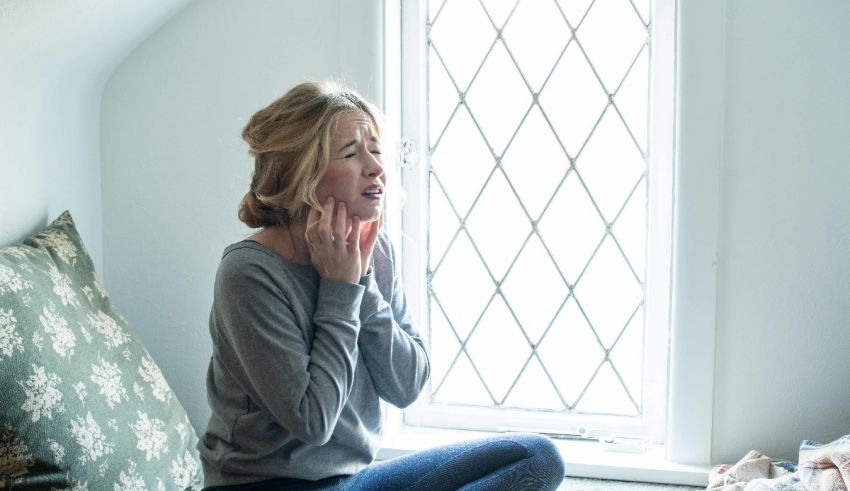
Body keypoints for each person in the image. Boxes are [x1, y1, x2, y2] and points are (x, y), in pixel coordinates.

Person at [198, 80, 566, 490]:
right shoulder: (249, 273)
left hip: (351, 481)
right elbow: (313, 422)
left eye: (376, 150)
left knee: (535, 457)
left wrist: (363, 281)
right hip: (265, 486)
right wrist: (340, 288)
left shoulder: (376, 249)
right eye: (352, 153)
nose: (375, 168)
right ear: (302, 172)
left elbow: (406, 385)